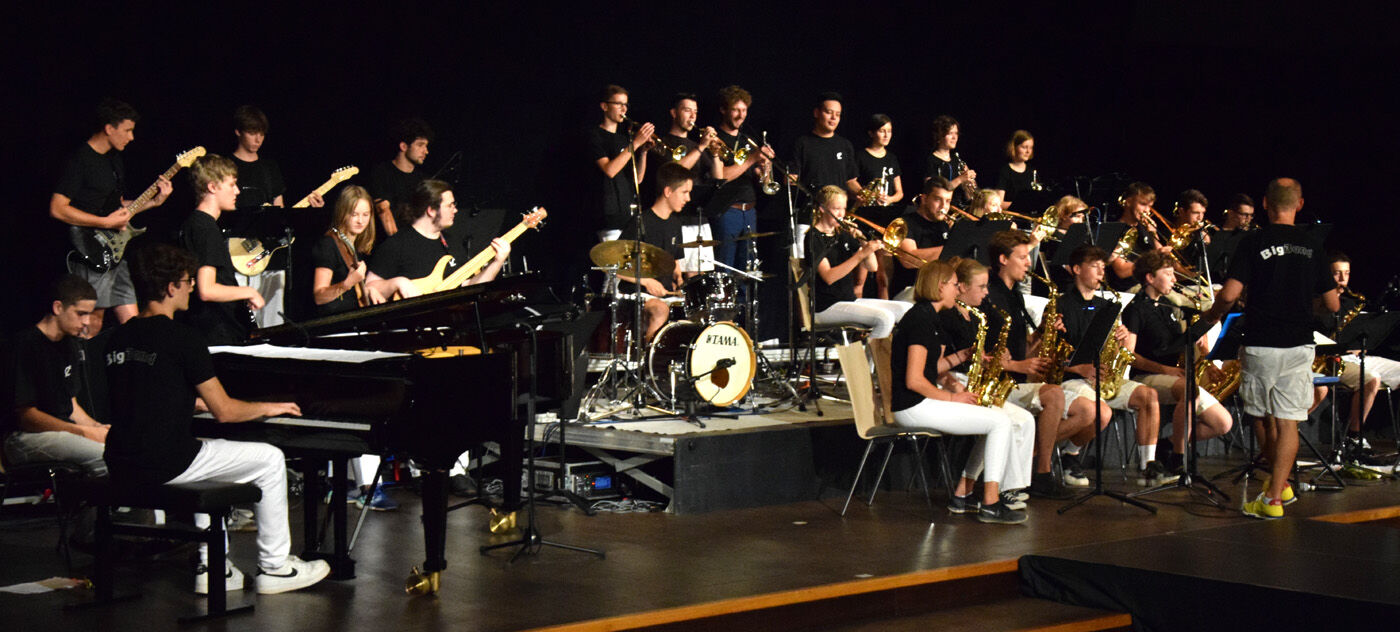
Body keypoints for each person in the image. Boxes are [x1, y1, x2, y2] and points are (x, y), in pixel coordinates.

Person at [103, 243, 330, 594]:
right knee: (270, 459)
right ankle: (276, 567)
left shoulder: (117, 337)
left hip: (120, 460)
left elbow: (144, 393)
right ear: (170, 288)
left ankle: (214, 567)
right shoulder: (183, 338)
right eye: (187, 281)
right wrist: (268, 407)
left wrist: (187, 403)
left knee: (208, 457)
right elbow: (225, 411)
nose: (192, 287)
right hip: (166, 462)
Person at [1201, 178, 1339, 519]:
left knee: (1262, 419)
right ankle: (1280, 490)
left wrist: (1212, 316)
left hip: (1261, 343)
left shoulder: (1253, 242)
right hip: (1299, 343)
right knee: (1289, 421)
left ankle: (1274, 497)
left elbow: (1229, 295)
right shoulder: (1313, 245)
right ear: (1300, 204)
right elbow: (1333, 304)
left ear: (1264, 203)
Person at [953, 236, 1095, 499]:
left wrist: (1041, 333)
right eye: (1022, 257)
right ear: (1003, 260)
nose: (1029, 263)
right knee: (1053, 396)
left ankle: (1037, 473)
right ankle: (1032, 476)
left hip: (1013, 379)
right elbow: (986, 353)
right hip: (992, 380)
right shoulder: (988, 296)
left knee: (1067, 401)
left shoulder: (1015, 296)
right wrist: (1020, 365)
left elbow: (1022, 349)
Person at [889, 260, 1030, 524]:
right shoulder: (920, 320)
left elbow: (931, 368)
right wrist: (954, 398)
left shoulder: (928, 316)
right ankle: (991, 503)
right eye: (954, 285)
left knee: (996, 419)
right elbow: (915, 381)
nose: (957, 290)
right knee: (1000, 422)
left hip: (920, 402)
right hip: (912, 406)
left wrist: (962, 356)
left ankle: (963, 495)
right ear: (940, 286)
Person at [50, 98, 173, 336]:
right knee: (93, 320)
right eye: (127, 130)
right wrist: (105, 222)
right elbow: (57, 208)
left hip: (115, 251)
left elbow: (117, 207)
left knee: (133, 323)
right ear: (109, 128)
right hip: (91, 250)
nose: (131, 137)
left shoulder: (114, 159)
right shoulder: (80, 160)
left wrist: (154, 202)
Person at [1057, 245, 1174, 486]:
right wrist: (1077, 367)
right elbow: (1052, 352)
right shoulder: (1061, 304)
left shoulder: (1106, 306)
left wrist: (1121, 337)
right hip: (1073, 377)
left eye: (1103, 267)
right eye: (1094, 267)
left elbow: (1120, 349)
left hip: (1102, 376)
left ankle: (1147, 466)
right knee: (1100, 411)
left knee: (1148, 396)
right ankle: (1070, 455)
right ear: (1077, 269)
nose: (1102, 273)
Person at [1123, 250, 1234, 476]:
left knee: (1222, 423)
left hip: (1175, 375)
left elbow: (1176, 343)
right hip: (1147, 376)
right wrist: (1165, 369)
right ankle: (1178, 457)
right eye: (1168, 273)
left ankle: (1168, 444)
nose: (1174, 279)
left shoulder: (1168, 306)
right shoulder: (1135, 309)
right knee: (1190, 390)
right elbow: (1129, 355)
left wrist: (1199, 340)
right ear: (1150, 278)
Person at [226, 105, 324, 328]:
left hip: (272, 254)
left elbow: (280, 210)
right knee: (242, 319)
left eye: (261, 133)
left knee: (273, 320)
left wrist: (307, 209)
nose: (258, 139)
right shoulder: (227, 166)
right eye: (252, 132)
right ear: (238, 132)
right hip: (239, 253)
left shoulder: (269, 168)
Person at [4, 275, 108, 476]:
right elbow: (27, 416)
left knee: (120, 449)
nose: (87, 322)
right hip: (24, 438)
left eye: (89, 314)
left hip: (64, 432)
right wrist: (83, 432)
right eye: (81, 314)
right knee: (105, 457)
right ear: (58, 307)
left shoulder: (70, 345)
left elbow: (71, 406)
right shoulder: (25, 344)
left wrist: (98, 428)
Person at [1316, 253, 1400, 462]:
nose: (1342, 279)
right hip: (1330, 360)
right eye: (1336, 274)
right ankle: (1354, 437)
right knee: (1371, 379)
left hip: (1356, 357)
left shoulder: (1352, 302)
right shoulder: (1316, 303)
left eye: (1346, 273)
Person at [365, 179, 509, 300]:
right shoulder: (397, 244)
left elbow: (469, 287)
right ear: (431, 210)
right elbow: (369, 287)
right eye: (449, 205)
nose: (455, 210)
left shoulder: (452, 242)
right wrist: (398, 282)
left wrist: (497, 262)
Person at [803, 186, 910, 338]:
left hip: (849, 300)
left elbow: (872, 267)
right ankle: (869, 353)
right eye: (836, 209)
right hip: (826, 305)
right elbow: (829, 277)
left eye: (844, 208)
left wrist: (863, 242)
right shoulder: (813, 237)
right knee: (884, 319)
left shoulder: (843, 233)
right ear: (822, 209)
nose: (842, 214)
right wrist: (861, 255)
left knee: (906, 310)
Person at [618, 163, 694, 341]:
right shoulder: (640, 223)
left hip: (665, 294)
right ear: (668, 191)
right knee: (660, 310)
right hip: (638, 293)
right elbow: (615, 266)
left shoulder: (675, 224)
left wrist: (680, 281)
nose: (688, 198)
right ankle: (648, 355)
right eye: (684, 192)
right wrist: (646, 281)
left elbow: (674, 261)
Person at [707, 85, 775, 271]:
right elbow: (721, 177)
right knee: (725, 270)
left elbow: (759, 180)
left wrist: (765, 168)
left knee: (748, 271)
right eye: (736, 110)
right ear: (723, 110)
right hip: (727, 212)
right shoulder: (715, 139)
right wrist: (752, 158)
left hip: (750, 211)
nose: (741, 115)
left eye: (744, 110)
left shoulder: (748, 140)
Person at [588, 85, 653, 241]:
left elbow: (638, 179)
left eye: (625, 105)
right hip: (609, 215)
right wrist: (635, 144)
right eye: (618, 104)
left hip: (628, 214)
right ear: (604, 106)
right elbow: (609, 170)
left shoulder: (624, 139)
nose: (624, 109)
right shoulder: (595, 135)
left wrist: (643, 152)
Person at [851, 114, 904, 300]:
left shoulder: (892, 158)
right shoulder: (860, 156)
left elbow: (899, 193)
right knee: (860, 279)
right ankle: (856, 314)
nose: (887, 135)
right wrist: (868, 195)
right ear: (871, 133)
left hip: (885, 219)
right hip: (864, 218)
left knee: (884, 278)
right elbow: (850, 182)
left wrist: (889, 199)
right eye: (882, 131)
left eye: (889, 131)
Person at [311, 185, 378, 315]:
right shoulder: (328, 244)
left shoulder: (354, 246)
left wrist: (369, 290)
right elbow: (319, 296)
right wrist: (348, 283)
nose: (360, 221)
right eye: (354, 215)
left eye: (365, 215)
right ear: (343, 213)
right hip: (333, 322)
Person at [368, 118, 434, 237]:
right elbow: (383, 210)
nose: (426, 151)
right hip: (389, 242)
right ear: (403, 146)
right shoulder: (382, 173)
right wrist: (399, 244)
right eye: (420, 145)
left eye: (426, 146)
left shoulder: (423, 180)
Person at [892, 177, 954, 299]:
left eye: (948, 201)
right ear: (924, 199)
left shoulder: (944, 225)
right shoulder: (905, 223)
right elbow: (908, 259)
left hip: (938, 288)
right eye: (938, 200)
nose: (944, 206)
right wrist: (953, 248)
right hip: (911, 291)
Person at [1107, 182, 1170, 292]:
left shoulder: (1145, 228)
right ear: (1128, 202)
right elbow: (1121, 271)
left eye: (1150, 206)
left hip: (1148, 286)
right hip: (1127, 289)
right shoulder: (1115, 229)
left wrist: (1154, 234)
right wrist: (1152, 259)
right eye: (1143, 204)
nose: (1147, 210)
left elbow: (1163, 259)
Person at [792, 92, 859, 196]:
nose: (834, 117)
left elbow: (850, 181)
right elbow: (792, 179)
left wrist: (866, 195)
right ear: (816, 113)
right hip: (811, 204)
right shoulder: (802, 143)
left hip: (839, 205)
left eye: (838, 114)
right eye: (829, 112)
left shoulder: (845, 145)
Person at [923, 115, 976, 209]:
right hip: (940, 208)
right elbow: (932, 190)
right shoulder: (931, 160)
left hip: (960, 209)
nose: (954, 137)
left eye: (956, 133)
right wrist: (960, 179)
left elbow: (969, 197)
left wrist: (969, 183)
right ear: (939, 135)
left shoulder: (958, 160)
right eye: (950, 133)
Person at [992, 130, 1037, 209]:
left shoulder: (1032, 172)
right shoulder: (1005, 171)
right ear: (1013, 147)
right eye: (1024, 147)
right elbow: (999, 203)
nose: (1028, 151)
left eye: (1030, 147)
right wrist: (1022, 205)